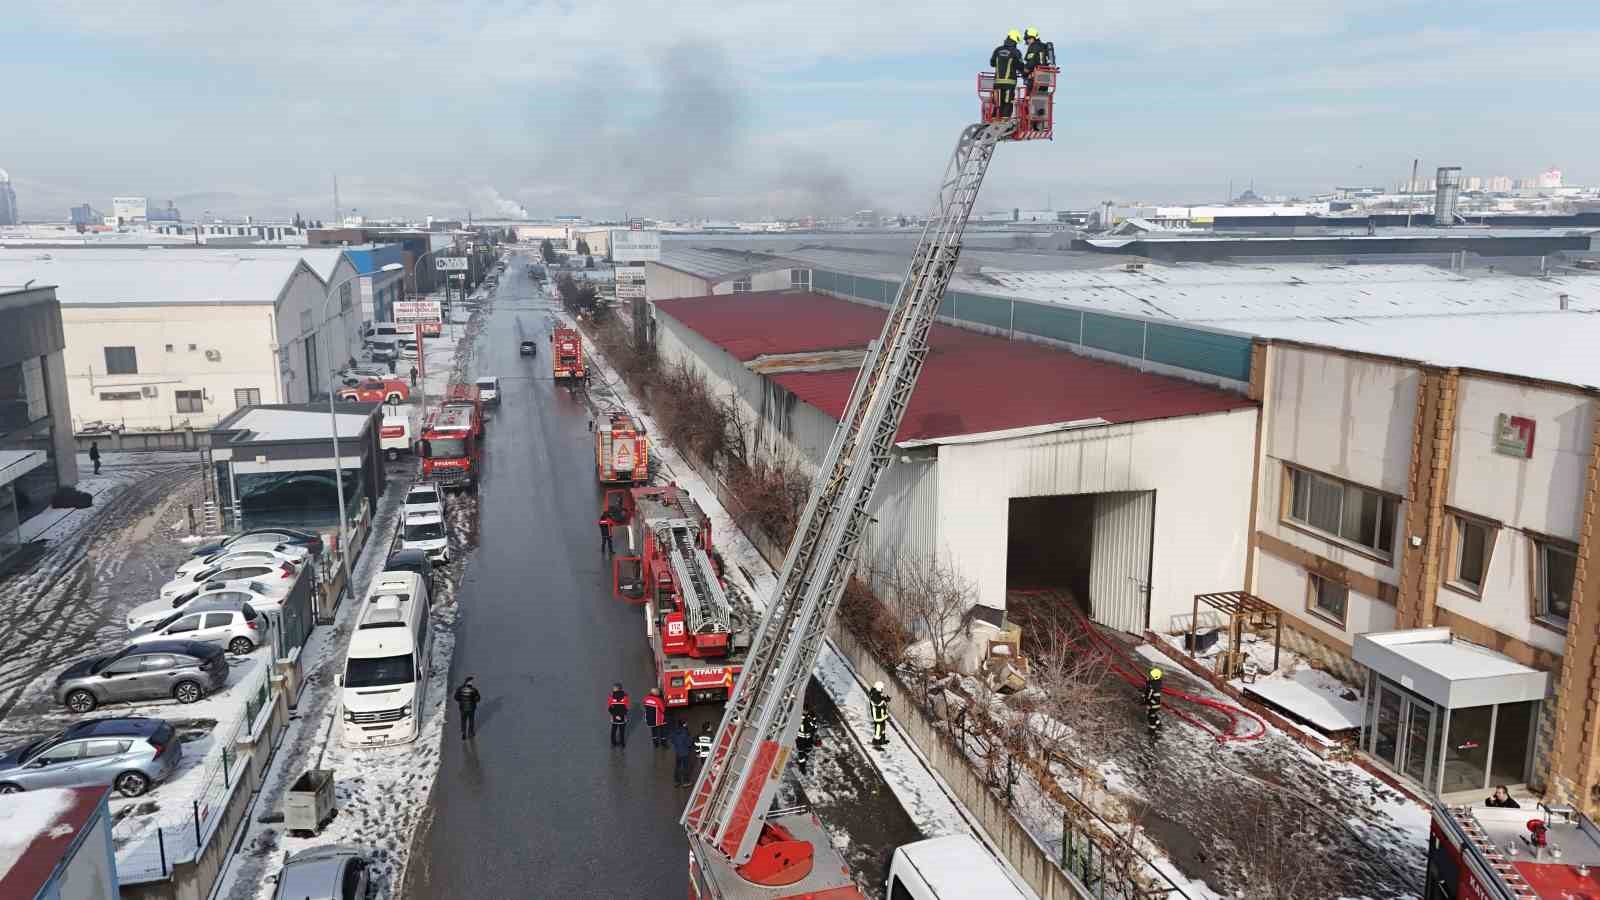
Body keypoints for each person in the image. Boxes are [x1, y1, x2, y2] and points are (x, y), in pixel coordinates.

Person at [989, 30, 1025, 119]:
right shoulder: (1016, 52)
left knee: (996, 102)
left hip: (997, 82)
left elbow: (992, 63)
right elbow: (1020, 66)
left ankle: (994, 119)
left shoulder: (998, 50)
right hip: (1009, 82)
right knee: (1007, 102)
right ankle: (1004, 120)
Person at [453, 676, 481, 740]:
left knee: (463, 720)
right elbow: (478, 699)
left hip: (462, 708)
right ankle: (470, 733)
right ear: (469, 682)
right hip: (471, 708)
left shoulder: (460, 689)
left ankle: (463, 733)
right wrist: (474, 700)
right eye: (472, 681)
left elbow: (455, 697)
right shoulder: (474, 690)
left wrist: (461, 701)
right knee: (471, 720)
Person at [669, 719, 695, 787]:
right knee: (685, 767)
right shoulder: (685, 732)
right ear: (684, 724)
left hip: (678, 752)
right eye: (686, 723)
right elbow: (689, 743)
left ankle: (677, 781)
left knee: (677, 767)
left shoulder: (675, 731)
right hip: (685, 753)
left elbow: (672, 739)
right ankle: (686, 782)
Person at [794, 708, 818, 772]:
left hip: (800, 737)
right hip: (801, 736)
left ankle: (802, 766)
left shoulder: (808, 746)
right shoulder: (812, 729)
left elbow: (802, 754)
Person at [868, 681, 890, 749]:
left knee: (882, 727)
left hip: (881, 715)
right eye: (882, 688)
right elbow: (879, 703)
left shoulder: (877, 693)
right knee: (878, 729)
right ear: (879, 688)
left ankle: (882, 740)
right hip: (878, 716)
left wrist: (885, 699)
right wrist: (884, 701)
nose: (882, 689)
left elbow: (881, 699)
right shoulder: (874, 695)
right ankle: (876, 743)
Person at [607, 682, 630, 747]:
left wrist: (616, 715)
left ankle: (613, 743)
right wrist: (621, 715)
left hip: (614, 717)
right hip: (623, 716)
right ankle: (622, 743)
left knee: (613, 730)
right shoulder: (625, 696)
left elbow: (610, 708)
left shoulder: (611, 697)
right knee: (622, 731)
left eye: (613, 688)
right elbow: (626, 707)